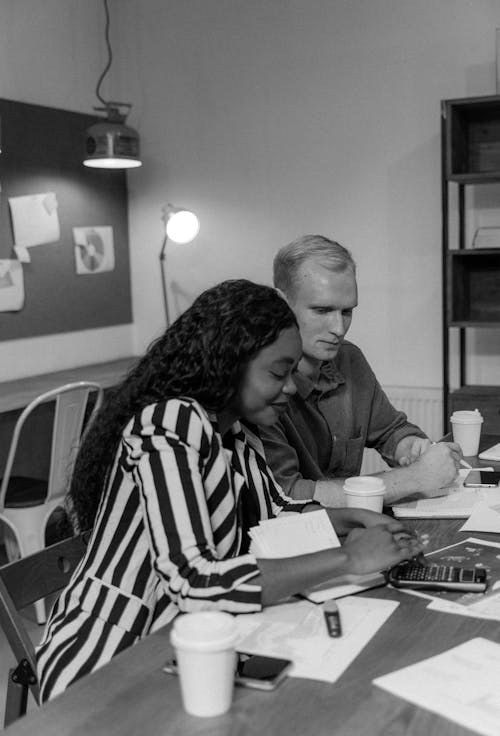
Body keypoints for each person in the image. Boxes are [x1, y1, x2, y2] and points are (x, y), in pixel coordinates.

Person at [37, 279, 420, 701]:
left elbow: (277, 510)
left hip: (179, 650)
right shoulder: (171, 424)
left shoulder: (234, 430)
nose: (291, 388)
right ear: (230, 363)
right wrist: (349, 557)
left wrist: (357, 516)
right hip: (108, 661)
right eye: (279, 372)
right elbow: (194, 581)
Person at [260, 235, 462, 507]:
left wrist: (413, 449)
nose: (339, 329)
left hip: (352, 527)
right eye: (322, 310)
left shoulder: (349, 358)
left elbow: (391, 430)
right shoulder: (261, 384)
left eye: (347, 312)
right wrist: (413, 478)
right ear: (281, 304)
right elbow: (287, 494)